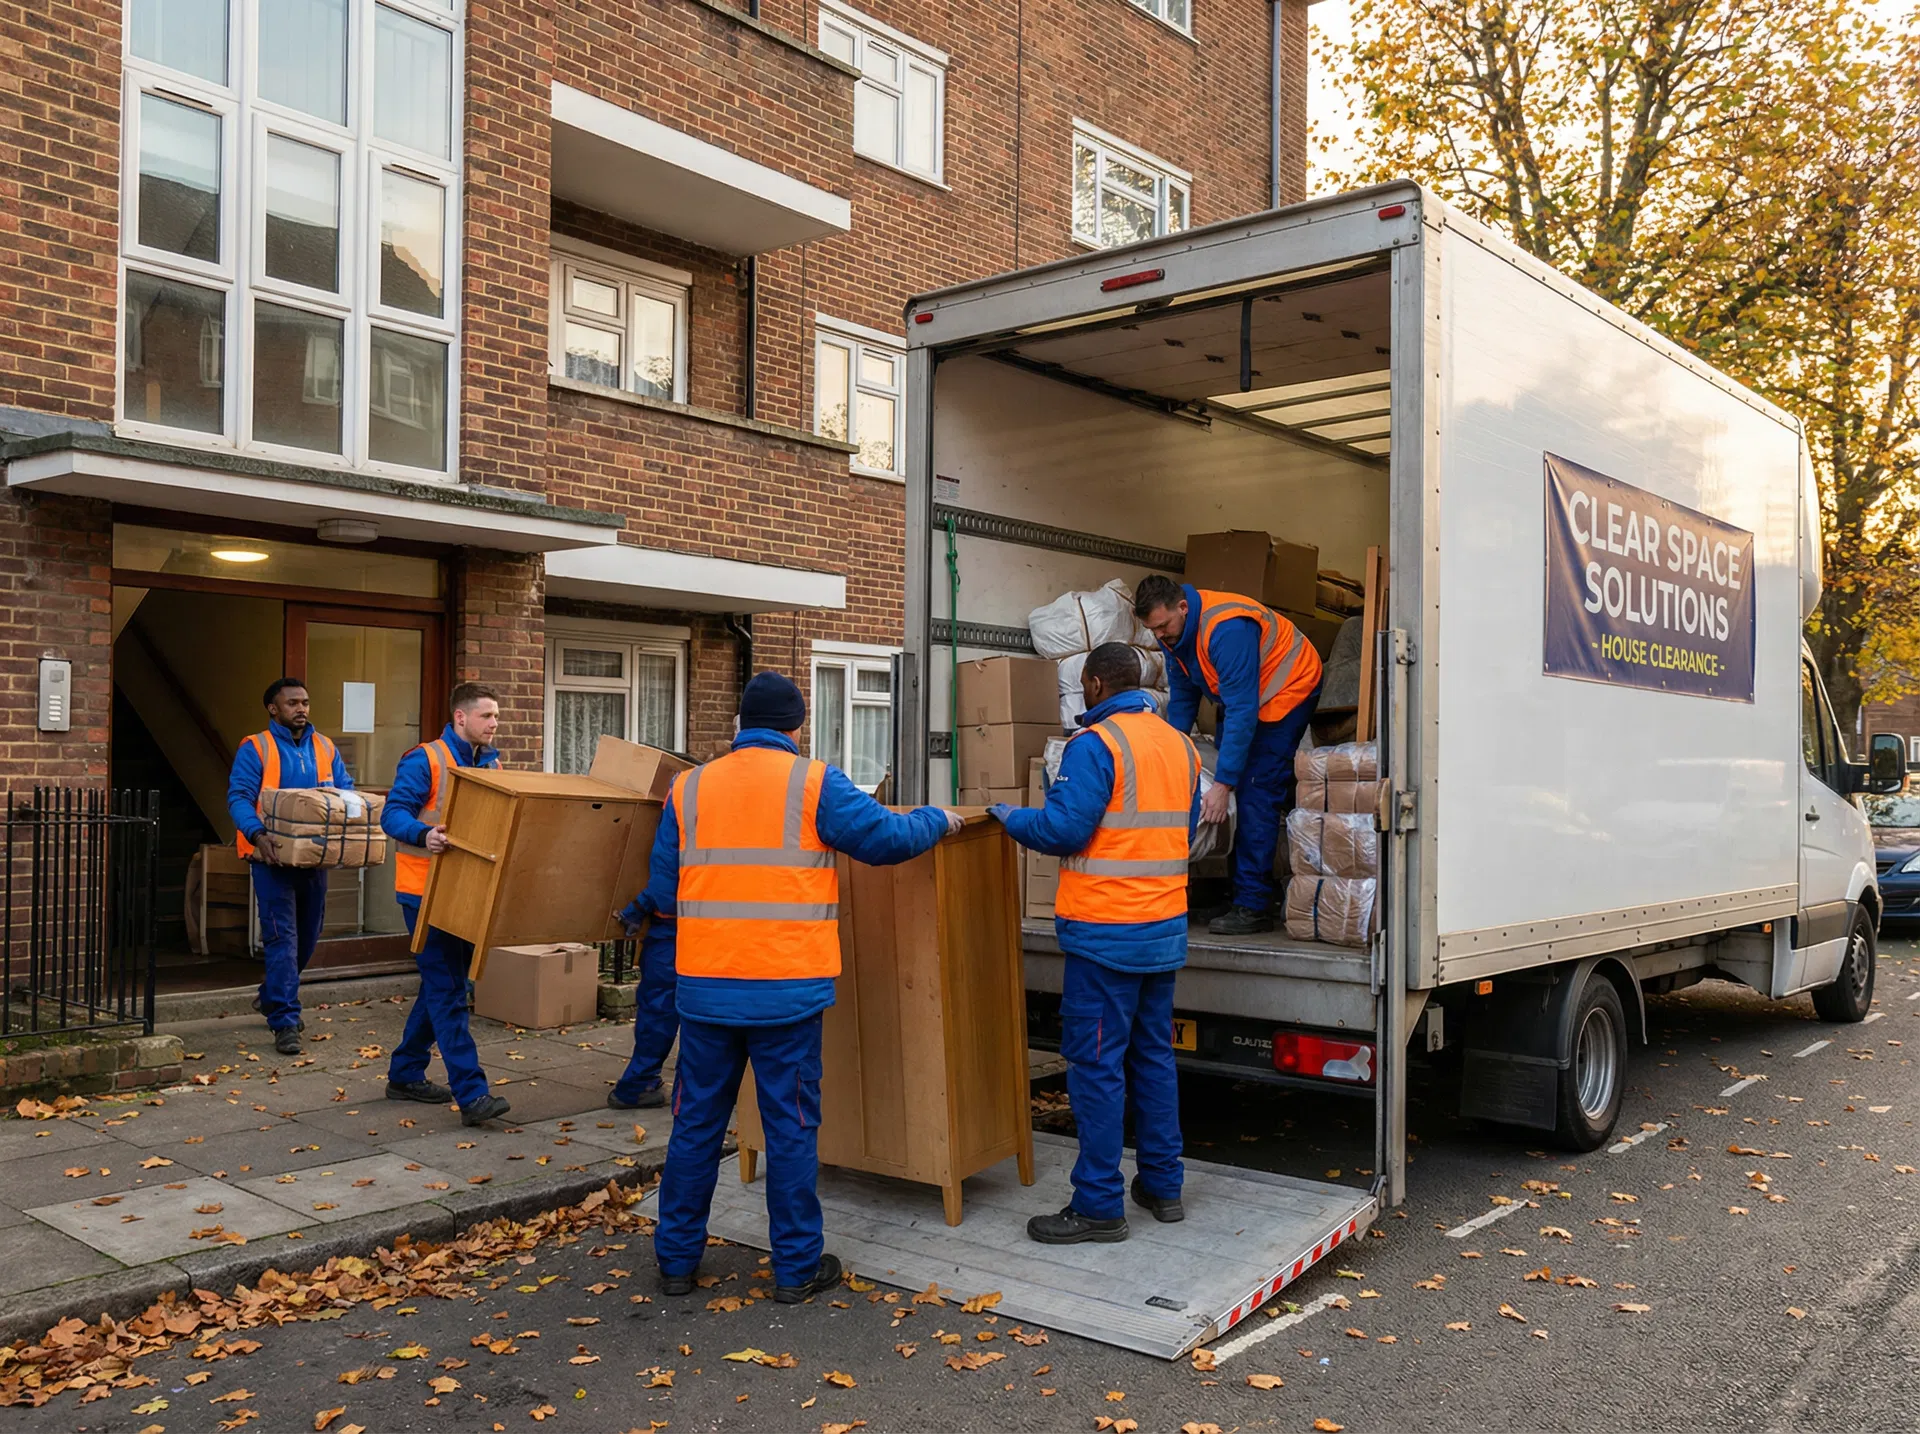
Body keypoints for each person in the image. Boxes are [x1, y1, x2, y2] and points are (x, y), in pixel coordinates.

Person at [648, 671, 961, 1303]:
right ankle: (795, 1269)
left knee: (695, 1123)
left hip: (706, 989)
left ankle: (677, 1262)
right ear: (797, 727)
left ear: (740, 725)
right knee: (789, 1127)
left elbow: (661, 893)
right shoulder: (813, 782)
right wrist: (940, 819)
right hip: (785, 990)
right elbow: (887, 839)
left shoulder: (689, 787)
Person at [988, 642, 1201, 1244]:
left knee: (1096, 1067)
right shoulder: (1179, 745)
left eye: (1082, 685)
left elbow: (1063, 829)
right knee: (1153, 1058)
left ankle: (1099, 1205)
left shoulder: (1095, 746)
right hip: (1162, 930)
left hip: (1107, 935)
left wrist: (1009, 816)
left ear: (1096, 683)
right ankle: (1163, 1185)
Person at [1133, 574, 1322, 935]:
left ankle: (1253, 906)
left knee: (1253, 790)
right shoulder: (1177, 634)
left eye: (1163, 626)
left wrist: (1223, 785)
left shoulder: (1227, 628)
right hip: (1248, 698)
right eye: (1152, 630)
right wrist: (1172, 755)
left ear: (1182, 607)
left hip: (1289, 688)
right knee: (1239, 777)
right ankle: (1239, 893)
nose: (1159, 636)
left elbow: (1242, 710)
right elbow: (1184, 698)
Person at [382, 682, 510, 1127]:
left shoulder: (492, 763)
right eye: (487, 716)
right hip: (424, 894)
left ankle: (405, 1072)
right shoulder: (426, 759)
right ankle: (472, 1095)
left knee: (449, 986)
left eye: (496, 716)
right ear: (461, 717)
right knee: (449, 989)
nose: (495, 724)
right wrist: (424, 834)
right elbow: (392, 813)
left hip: (467, 892)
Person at [227, 678, 356, 1057]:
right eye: (292, 703)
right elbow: (238, 797)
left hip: (315, 859)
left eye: (305, 702)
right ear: (273, 709)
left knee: (309, 935)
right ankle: (285, 1020)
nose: (301, 708)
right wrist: (256, 833)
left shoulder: (325, 747)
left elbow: (344, 791)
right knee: (282, 937)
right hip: (269, 858)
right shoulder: (256, 747)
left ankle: (271, 995)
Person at [607, 889, 677, 1110]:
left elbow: (664, 891)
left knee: (658, 1013)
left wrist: (636, 909)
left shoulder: (676, 852)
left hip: (671, 936)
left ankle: (640, 1082)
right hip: (684, 935)